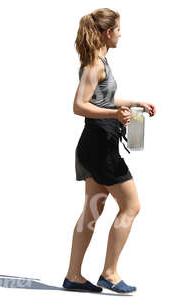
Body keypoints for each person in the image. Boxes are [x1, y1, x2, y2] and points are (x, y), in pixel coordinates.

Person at [62, 8, 156, 294]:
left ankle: (73, 276)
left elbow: (103, 98)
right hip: (100, 147)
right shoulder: (94, 64)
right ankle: (110, 273)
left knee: (93, 209)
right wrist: (115, 116)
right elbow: (80, 105)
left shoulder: (99, 62)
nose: (120, 33)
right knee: (131, 206)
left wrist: (133, 102)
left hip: (94, 144)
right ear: (107, 32)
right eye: (118, 29)